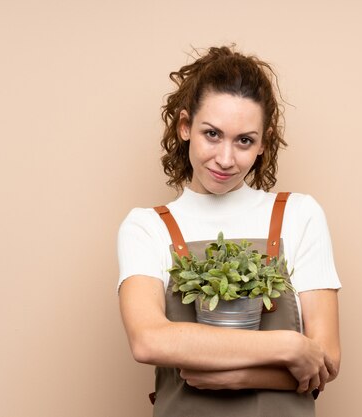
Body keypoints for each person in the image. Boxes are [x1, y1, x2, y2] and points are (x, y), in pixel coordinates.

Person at [117, 46, 341, 417]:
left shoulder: (300, 215)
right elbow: (148, 339)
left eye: (244, 140)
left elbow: (325, 359)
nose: (225, 158)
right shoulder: (146, 226)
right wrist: (288, 346)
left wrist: (232, 375)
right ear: (185, 126)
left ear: (264, 142)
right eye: (212, 134)